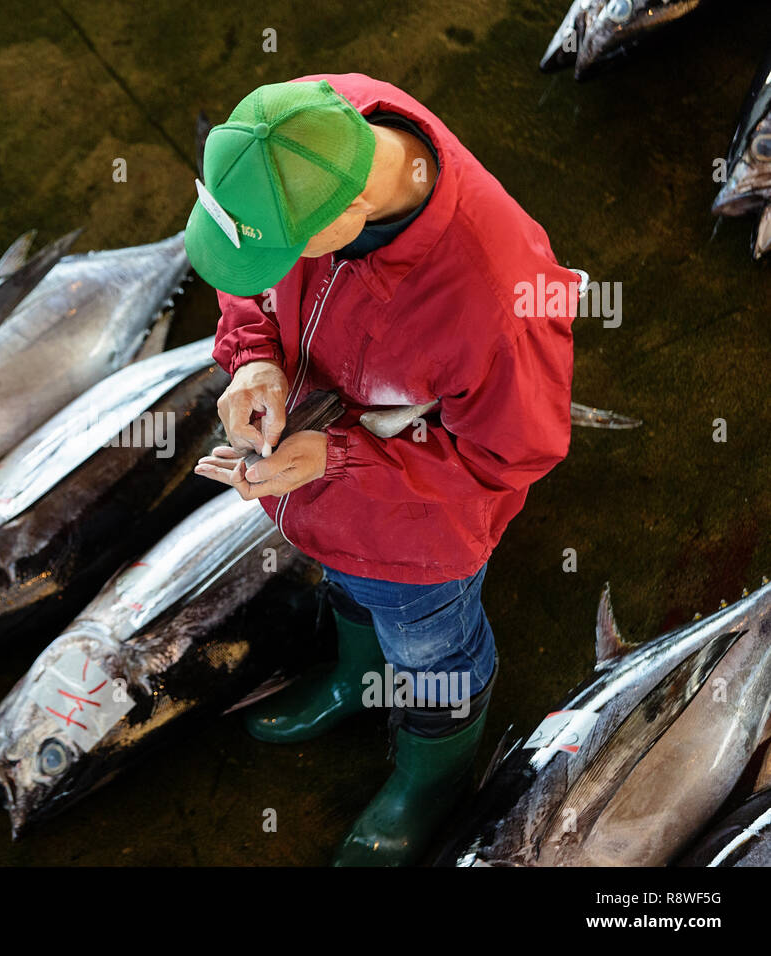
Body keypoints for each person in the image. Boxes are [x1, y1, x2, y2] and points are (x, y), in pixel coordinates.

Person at [184, 75, 577, 866]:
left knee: (431, 652)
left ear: (349, 216)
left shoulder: (498, 300)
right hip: (327, 512)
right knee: (347, 592)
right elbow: (248, 285)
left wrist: (335, 458)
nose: (273, 264)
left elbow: (514, 456)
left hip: (418, 543)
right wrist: (252, 360)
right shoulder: (308, 118)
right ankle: (357, 678)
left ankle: (430, 775)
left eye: (286, 250)